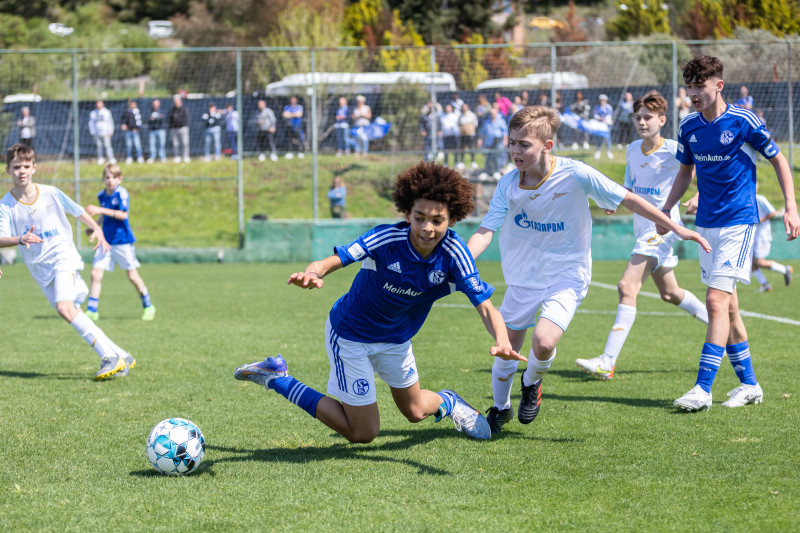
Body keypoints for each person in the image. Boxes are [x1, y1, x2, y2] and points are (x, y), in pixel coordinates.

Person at [234, 162, 523, 443]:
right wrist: (312, 273)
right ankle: (278, 378)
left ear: (453, 220)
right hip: (351, 334)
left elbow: (485, 306)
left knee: (416, 411)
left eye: (437, 221)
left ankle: (449, 401)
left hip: (396, 340)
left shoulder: (454, 254)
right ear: (407, 212)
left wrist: (503, 341)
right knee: (363, 432)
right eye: (419, 217)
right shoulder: (386, 238)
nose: (427, 228)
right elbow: (333, 260)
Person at [466, 106, 709, 434]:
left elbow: (629, 199)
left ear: (547, 146)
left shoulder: (576, 173)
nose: (515, 151)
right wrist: (460, 261)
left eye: (524, 144)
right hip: (522, 278)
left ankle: (532, 384)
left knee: (544, 341)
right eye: (512, 143)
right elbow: (485, 231)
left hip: (568, 274)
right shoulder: (507, 185)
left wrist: (674, 226)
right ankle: (500, 408)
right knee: (507, 349)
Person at [659, 55, 800, 411]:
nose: (693, 93)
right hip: (706, 224)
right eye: (689, 86)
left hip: (739, 221)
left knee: (715, 302)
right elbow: (684, 172)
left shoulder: (743, 120)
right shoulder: (688, 126)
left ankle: (702, 389)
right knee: (731, 308)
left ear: (718, 85)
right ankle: (750, 385)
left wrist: (791, 205)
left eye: (700, 86)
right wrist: (665, 209)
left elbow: (779, 159)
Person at [574, 91, 709, 380]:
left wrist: (698, 195)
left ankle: (607, 362)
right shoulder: (633, 149)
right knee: (670, 293)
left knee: (626, 285)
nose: (642, 122)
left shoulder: (675, 148)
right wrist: (612, 203)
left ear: (662, 119)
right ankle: (720, 326)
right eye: (638, 117)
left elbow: (705, 174)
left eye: (648, 117)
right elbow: (629, 187)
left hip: (663, 228)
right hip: (642, 228)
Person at [0, 144, 135, 380]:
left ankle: (108, 357)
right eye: (16, 167)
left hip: (62, 257)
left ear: (34, 167)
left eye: (25, 166)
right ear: (7, 170)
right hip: (40, 270)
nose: (21, 171)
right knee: (73, 311)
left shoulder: (51, 193)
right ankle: (122, 354)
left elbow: (78, 211)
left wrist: (97, 229)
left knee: (65, 308)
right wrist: (20, 239)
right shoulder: (5, 205)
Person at [84, 163, 156, 322]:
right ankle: (92, 310)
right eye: (108, 177)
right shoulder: (102, 196)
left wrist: (101, 210)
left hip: (122, 241)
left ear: (120, 179)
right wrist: (95, 227)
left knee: (132, 276)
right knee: (95, 273)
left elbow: (123, 215)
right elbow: (104, 215)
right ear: (103, 179)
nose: (111, 180)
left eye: (114, 177)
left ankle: (148, 305)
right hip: (106, 241)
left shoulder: (122, 194)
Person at [750, 188, 793, 292]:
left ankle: (785, 269)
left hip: (762, 235)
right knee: (751, 263)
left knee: (759, 262)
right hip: (754, 236)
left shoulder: (759, 198)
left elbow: (772, 212)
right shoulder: (747, 200)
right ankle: (765, 285)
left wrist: (759, 220)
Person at [477, 106, 508, 177]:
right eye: (491, 113)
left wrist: (505, 140)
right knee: (488, 157)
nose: (492, 114)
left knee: (498, 157)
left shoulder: (501, 121)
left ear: (496, 113)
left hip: (498, 142)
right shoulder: (486, 122)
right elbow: (483, 133)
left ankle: (497, 171)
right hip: (489, 142)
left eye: (493, 113)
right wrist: (480, 140)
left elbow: (505, 132)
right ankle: (486, 172)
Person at [89, 100, 116, 165]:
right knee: (99, 146)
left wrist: (111, 130)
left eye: (100, 104)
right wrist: (92, 131)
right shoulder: (93, 113)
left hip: (105, 132)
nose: (99, 106)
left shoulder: (107, 112)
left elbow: (110, 122)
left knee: (108, 146)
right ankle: (100, 158)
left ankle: (111, 158)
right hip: (96, 133)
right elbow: (91, 123)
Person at [120, 100, 144, 164]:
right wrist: (123, 125)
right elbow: (122, 120)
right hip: (128, 131)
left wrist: (137, 128)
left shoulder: (137, 111)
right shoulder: (127, 112)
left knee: (137, 145)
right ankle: (129, 157)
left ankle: (139, 157)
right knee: (129, 145)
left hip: (135, 131)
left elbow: (140, 121)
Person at [168, 95, 190, 163]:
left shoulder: (184, 110)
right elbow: (169, 120)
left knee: (185, 143)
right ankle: (177, 156)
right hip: (174, 129)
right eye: (175, 102)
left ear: (180, 101)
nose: (176, 103)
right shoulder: (172, 110)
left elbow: (186, 119)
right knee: (175, 144)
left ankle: (185, 156)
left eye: (178, 101)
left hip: (183, 128)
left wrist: (181, 123)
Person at [457, 103, 479, 169]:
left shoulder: (472, 115)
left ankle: (473, 161)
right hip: (463, 135)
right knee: (462, 148)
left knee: (471, 147)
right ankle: (462, 162)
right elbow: (458, 124)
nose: (464, 109)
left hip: (470, 134)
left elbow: (475, 124)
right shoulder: (460, 116)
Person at [593, 94, 614, 160]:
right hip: (600, 124)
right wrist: (601, 118)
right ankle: (598, 151)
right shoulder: (597, 107)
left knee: (607, 138)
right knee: (599, 138)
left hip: (607, 124)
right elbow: (595, 115)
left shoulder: (609, 107)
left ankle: (609, 151)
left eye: (603, 100)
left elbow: (610, 115)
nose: (602, 101)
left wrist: (605, 119)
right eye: (601, 100)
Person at [147, 99, 167, 163]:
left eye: (157, 103)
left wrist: (157, 118)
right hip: (152, 130)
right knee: (152, 144)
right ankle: (152, 157)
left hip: (161, 130)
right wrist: (151, 119)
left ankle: (162, 157)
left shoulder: (162, 111)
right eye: (154, 103)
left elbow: (163, 118)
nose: (155, 105)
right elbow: (147, 119)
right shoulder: (150, 111)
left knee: (161, 144)